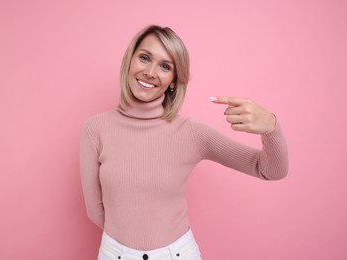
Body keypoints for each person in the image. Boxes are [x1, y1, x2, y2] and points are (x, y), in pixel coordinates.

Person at [80, 25, 288, 260]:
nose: (150, 72)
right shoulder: (95, 129)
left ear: (173, 80)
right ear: (130, 61)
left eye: (165, 66)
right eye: (144, 58)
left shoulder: (191, 133)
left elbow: (271, 170)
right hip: (114, 254)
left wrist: (271, 126)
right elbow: (94, 209)